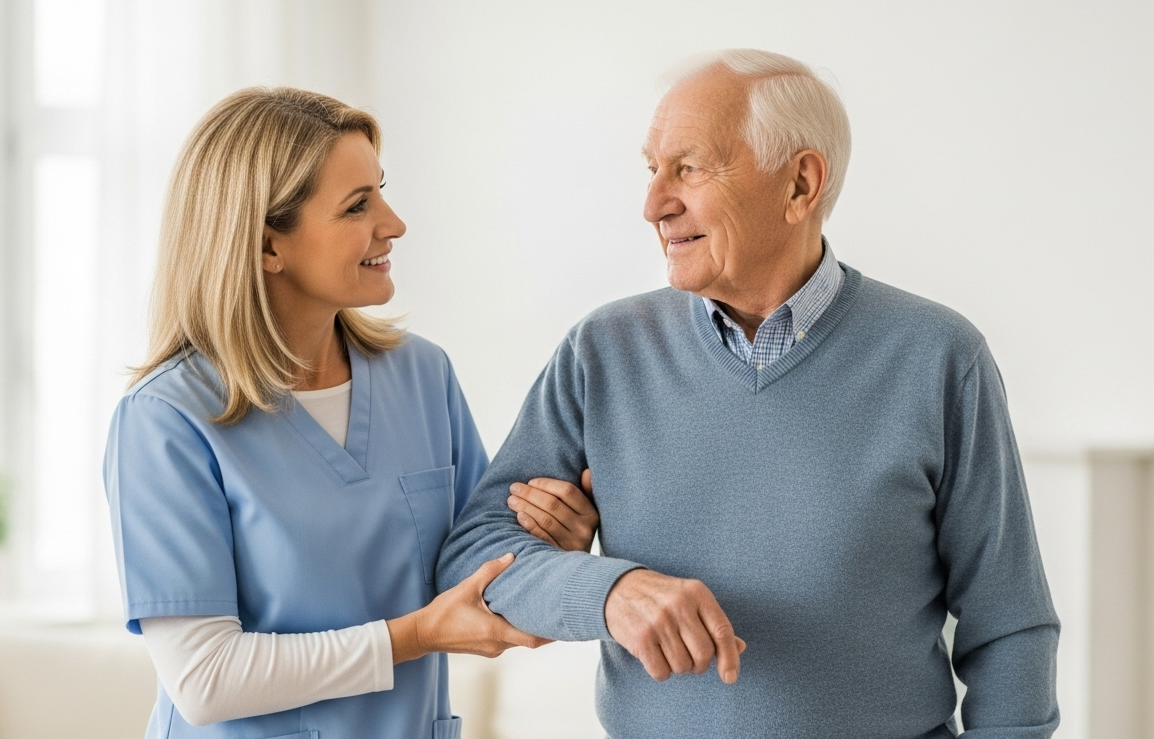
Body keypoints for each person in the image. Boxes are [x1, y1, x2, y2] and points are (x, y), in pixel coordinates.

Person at [438, 49, 1060, 738]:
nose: (653, 205)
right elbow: (476, 553)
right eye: (652, 168)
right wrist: (607, 590)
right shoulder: (603, 351)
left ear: (800, 184)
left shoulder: (941, 357)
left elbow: (1011, 627)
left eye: (690, 167)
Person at [103, 88, 602, 739]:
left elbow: (478, 568)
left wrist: (544, 549)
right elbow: (204, 679)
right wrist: (414, 635)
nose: (393, 223)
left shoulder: (422, 376)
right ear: (266, 247)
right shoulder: (166, 419)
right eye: (357, 205)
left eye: (381, 192)